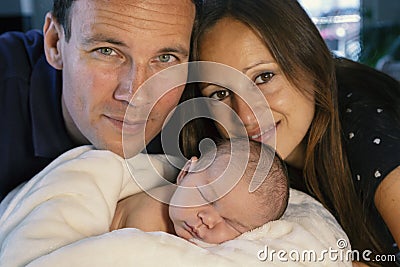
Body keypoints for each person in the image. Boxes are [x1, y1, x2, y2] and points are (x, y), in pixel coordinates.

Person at [180, 0, 400, 265]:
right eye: (221, 94)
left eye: (263, 78)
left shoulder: (366, 124)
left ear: (310, 62)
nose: (247, 115)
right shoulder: (212, 162)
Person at [0, 0, 198, 200]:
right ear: (55, 43)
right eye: (107, 51)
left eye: (166, 58)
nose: (135, 97)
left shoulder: (206, 111)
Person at [110, 138, 289, 245]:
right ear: (185, 172)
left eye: (231, 224)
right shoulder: (148, 219)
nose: (208, 220)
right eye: (206, 197)